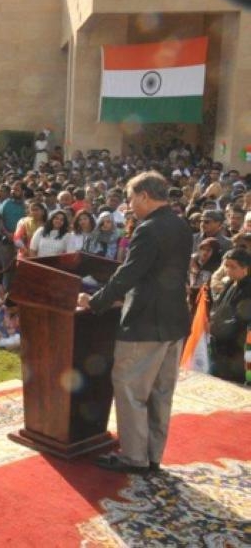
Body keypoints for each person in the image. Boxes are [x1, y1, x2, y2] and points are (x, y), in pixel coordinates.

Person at [78, 171, 192, 475]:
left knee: (131, 389)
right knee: (160, 392)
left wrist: (95, 300)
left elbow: (129, 273)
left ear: (144, 195)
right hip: (174, 320)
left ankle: (133, 457)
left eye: (131, 199)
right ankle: (153, 454)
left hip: (145, 321)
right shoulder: (181, 224)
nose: (130, 205)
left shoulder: (148, 229)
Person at [207, 248, 251, 382]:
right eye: (226, 266)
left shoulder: (248, 289)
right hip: (221, 341)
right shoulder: (230, 283)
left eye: (233, 267)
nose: (228, 270)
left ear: (245, 269)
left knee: (233, 380)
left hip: (236, 345)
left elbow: (242, 317)